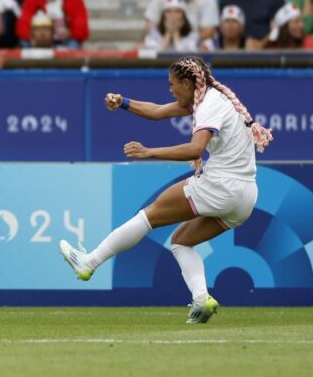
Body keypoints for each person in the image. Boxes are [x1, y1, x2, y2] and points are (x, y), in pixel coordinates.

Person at [61, 57, 272, 324]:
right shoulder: (210, 98)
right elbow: (158, 111)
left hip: (221, 185)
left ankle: (88, 263)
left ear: (187, 83)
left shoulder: (209, 105)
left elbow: (195, 149)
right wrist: (123, 102)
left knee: (148, 216)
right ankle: (201, 300)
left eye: (173, 85)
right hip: (245, 197)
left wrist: (150, 152)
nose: (170, 90)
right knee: (181, 242)